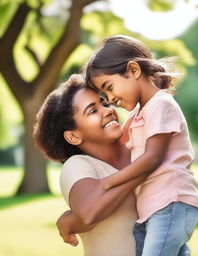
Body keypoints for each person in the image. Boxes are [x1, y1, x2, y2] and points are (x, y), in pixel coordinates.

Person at [83, 35, 198, 256]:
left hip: (171, 204)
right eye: (104, 94)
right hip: (152, 209)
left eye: (109, 87)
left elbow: (152, 158)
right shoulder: (139, 114)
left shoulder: (161, 104)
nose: (110, 98)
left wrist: (106, 184)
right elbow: (115, 144)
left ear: (133, 70)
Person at [33, 74, 152, 256]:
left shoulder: (141, 147)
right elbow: (90, 211)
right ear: (73, 136)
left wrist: (71, 220)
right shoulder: (78, 165)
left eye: (104, 103)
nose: (107, 110)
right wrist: (145, 168)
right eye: (92, 111)